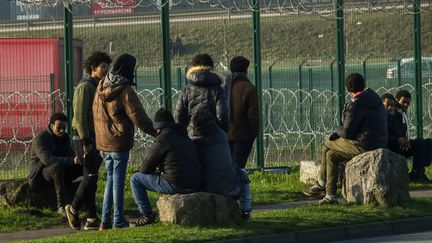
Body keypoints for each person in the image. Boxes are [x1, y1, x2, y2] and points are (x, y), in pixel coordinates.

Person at [93, 53, 156, 230]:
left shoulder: (101, 85)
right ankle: (118, 220)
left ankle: (105, 221)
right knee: (118, 182)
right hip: (119, 142)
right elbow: (139, 117)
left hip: (103, 141)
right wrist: (155, 133)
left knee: (110, 181)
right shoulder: (124, 90)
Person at [303, 73, 388, 204]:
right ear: (363, 84)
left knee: (328, 143)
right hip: (378, 141)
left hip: (363, 144)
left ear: (348, 89)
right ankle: (329, 195)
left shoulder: (356, 104)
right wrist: (340, 132)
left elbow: (347, 132)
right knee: (331, 155)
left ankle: (321, 183)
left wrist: (336, 129)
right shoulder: (373, 98)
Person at [130, 108, 202, 226]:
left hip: (176, 184)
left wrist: (155, 168)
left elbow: (145, 168)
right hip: (194, 182)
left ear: (158, 126)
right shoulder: (184, 134)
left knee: (135, 179)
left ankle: (146, 214)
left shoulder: (163, 139)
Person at [65, 51, 112, 230]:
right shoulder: (85, 86)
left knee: (91, 176)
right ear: (93, 68)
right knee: (90, 176)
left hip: (96, 135)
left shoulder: (98, 85)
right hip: (84, 137)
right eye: (103, 67)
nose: (106, 70)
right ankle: (74, 207)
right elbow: (79, 116)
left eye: (107, 67)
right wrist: (85, 141)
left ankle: (91, 218)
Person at [192, 108, 252, 220]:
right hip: (233, 188)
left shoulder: (195, 142)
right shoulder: (222, 136)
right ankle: (245, 210)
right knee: (243, 173)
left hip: (210, 188)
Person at [28, 112, 82, 216]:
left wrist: (79, 160)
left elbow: (70, 156)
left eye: (64, 128)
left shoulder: (65, 138)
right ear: (51, 126)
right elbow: (47, 160)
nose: (62, 130)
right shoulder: (40, 138)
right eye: (59, 128)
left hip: (60, 172)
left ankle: (86, 203)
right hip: (40, 175)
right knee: (57, 167)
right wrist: (71, 160)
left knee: (84, 167)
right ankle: (61, 206)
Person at [174, 53, 228, 138]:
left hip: (192, 136)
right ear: (211, 68)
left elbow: (179, 116)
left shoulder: (186, 91)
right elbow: (222, 116)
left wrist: (185, 135)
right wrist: (222, 133)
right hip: (213, 137)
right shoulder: (218, 90)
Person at [225, 56, 259, 169]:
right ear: (246, 70)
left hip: (223, 134)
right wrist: (254, 133)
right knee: (238, 168)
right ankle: (238, 187)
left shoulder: (223, 86)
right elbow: (253, 115)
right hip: (243, 135)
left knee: (226, 168)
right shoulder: (249, 88)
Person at [390, 90, 432, 181]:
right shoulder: (393, 114)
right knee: (419, 143)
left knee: (428, 143)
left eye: (408, 103)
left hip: (403, 144)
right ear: (396, 100)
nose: (405, 105)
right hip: (395, 146)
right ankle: (417, 173)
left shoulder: (402, 114)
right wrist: (399, 140)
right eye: (403, 102)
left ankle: (419, 171)